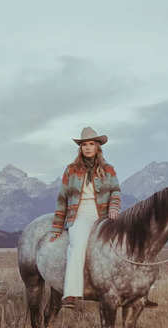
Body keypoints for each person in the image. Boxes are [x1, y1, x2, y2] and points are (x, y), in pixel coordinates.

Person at [50, 127, 121, 308]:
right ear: (80, 148)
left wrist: (114, 207)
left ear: (97, 147)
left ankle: (132, 290)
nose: (88, 148)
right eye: (84, 145)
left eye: (91, 144)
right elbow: (62, 199)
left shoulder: (108, 169)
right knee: (77, 247)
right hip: (79, 214)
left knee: (124, 244)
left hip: (103, 215)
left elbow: (115, 191)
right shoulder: (71, 170)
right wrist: (57, 227)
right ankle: (71, 294)